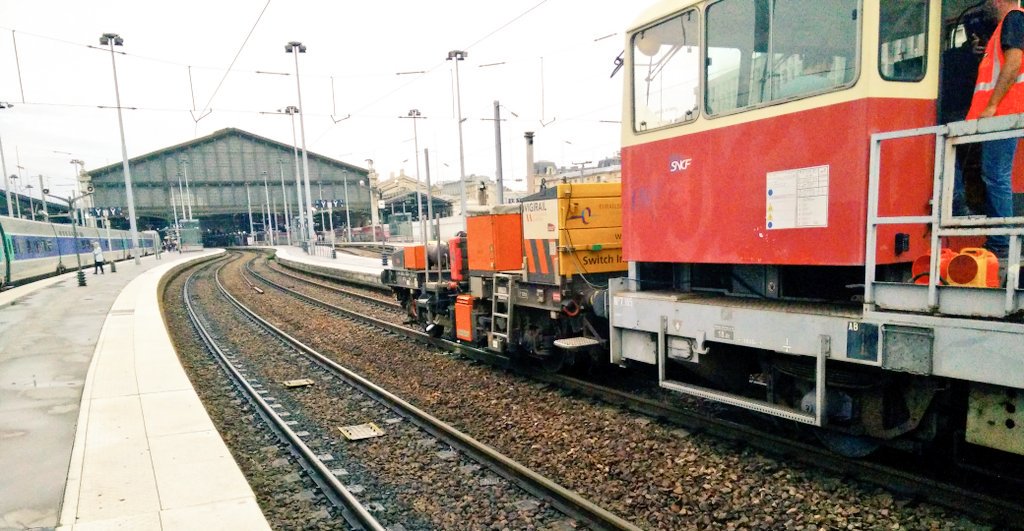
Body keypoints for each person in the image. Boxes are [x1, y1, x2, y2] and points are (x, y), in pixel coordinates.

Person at [962, 0, 1024, 258]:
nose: (985, 4)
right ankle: (1000, 239)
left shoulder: (1014, 18)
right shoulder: (1004, 27)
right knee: (993, 174)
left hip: (1004, 114)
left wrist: (992, 105)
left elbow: (1014, 61)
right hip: (999, 115)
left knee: (996, 175)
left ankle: (1001, 242)